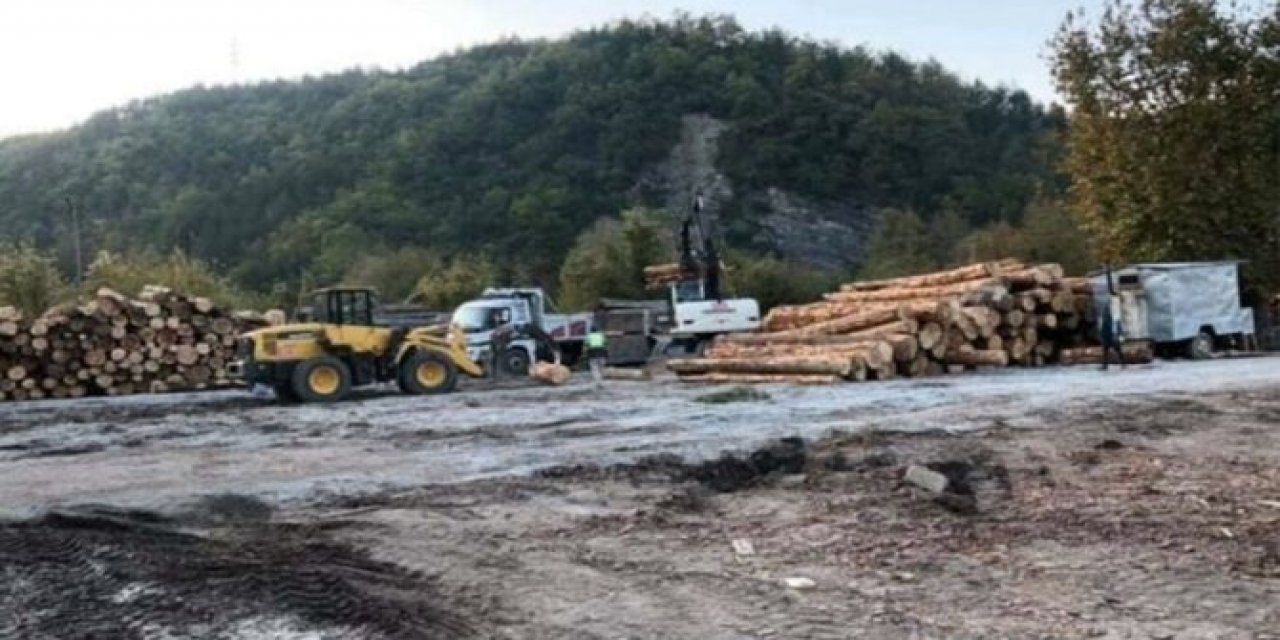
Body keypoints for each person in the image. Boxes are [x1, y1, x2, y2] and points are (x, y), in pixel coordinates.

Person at [1100, 267, 1126, 370]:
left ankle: (1122, 364)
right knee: (1106, 349)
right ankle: (1105, 365)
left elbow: (1115, 320)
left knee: (1117, 349)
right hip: (1107, 330)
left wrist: (1117, 333)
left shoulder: (1115, 304)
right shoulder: (1110, 305)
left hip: (1112, 331)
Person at [585, 308, 608, 387]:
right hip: (602, 353)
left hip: (592, 353)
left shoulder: (589, 336)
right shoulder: (601, 335)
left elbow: (586, 345)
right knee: (601, 368)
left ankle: (597, 382)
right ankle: (601, 381)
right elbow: (606, 344)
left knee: (594, 368)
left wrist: (585, 353)